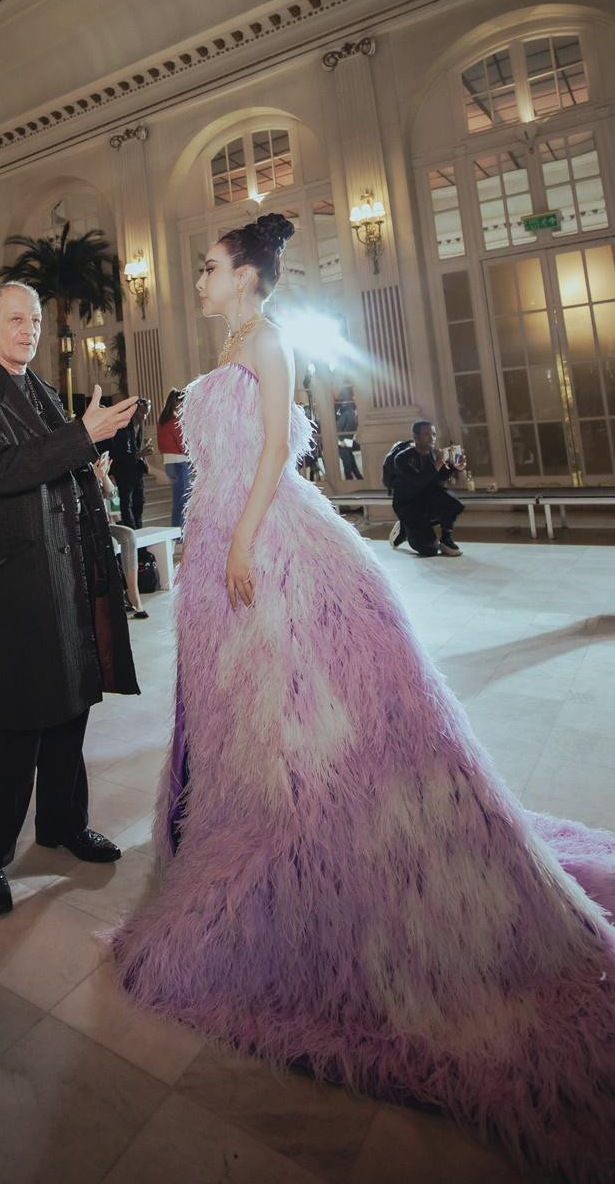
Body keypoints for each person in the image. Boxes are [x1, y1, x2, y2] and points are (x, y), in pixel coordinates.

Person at [110, 212, 615, 1183]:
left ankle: (309, 854)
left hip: (264, 540)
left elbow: (271, 451)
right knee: (247, 720)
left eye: (209, 266)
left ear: (246, 275)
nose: (198, 279)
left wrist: (243, 538)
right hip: (222, 541)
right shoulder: (232, 341)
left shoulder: (266, 339)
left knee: (305, 716)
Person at [0, 282, 140, 917]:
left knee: (70, 705)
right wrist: (82, 438)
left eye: (34, 320)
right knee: (12, 722)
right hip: (20, 578)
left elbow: (56, 463)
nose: (28, 329)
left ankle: (63, 824)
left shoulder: (46, 391)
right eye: (15, 319)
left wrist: (90, 468)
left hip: (71, 569)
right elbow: (1, 469)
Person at [390, 421, 464, 556]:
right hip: (409, 506)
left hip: (426, 500)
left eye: (434, 434)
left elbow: (438, 479)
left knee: (452, 502)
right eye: (426, 434)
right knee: (430, 550)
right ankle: (405, 527)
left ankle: (446, 539)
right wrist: (438, 464)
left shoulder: (434, 454)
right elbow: (419, 481)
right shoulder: (402, 458)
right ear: (416, 437)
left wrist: (454, 468)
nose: (432, 438)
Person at [93, 451, 148, 619]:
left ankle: (133, 595)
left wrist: (103, 475)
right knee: (112, 543)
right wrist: (94, 477)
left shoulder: (92, 465)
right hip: (86, 525)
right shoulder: (74, 466)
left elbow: (111, 494)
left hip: (102, 525)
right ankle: (114, 596)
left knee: (129, 534)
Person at [109, 397, 149, 528]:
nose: (144, 417)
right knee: (127, 502)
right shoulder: (123, 427)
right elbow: (120, 453)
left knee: (139, 502)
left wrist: (144, 460)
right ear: (134, 410)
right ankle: (132, 532)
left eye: (147, 413)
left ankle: (139, 531)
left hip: (137, 470)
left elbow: (137, 448)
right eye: (142, 413)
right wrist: (140, 454)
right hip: (123, 470)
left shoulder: (140, 425)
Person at [157, 389, 190, 535]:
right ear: (177, 403)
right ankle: (179, 533)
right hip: (179, 463)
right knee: (182, 500)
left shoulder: (162, 421)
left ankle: (177, 532)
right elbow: (183, 445)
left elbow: (161, 445)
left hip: (168, 463)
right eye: (182, 403)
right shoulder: (175, 421)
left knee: (178, 500)